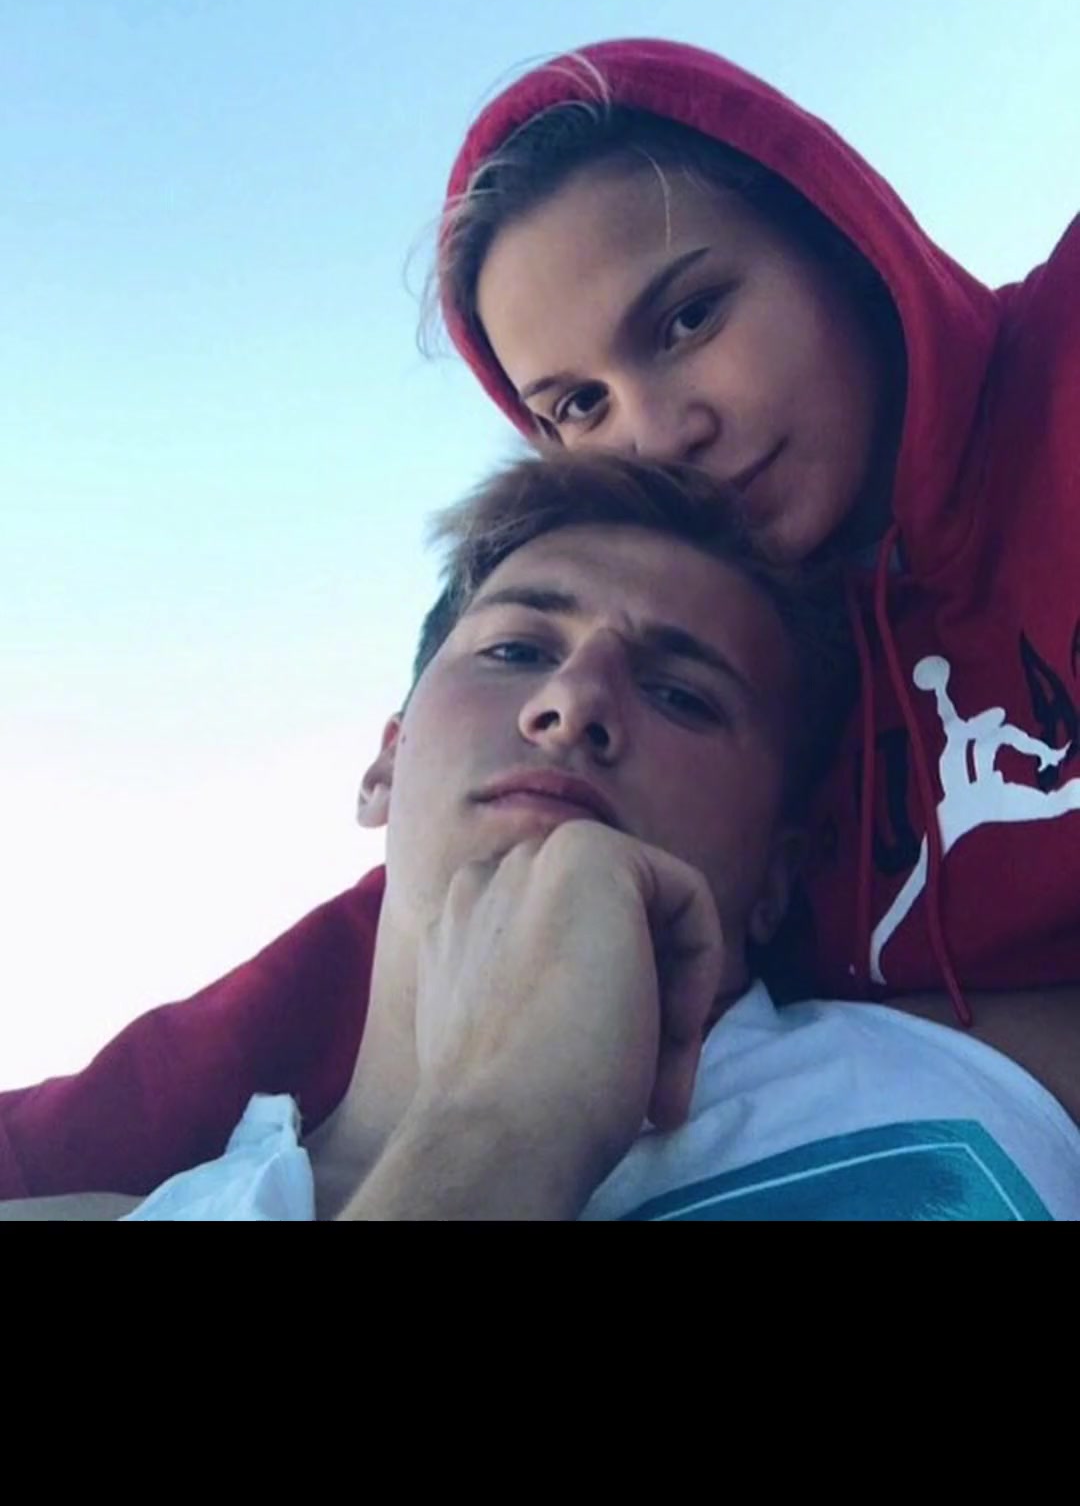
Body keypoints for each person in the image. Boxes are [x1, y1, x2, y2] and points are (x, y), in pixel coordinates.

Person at [7, 456, 1080, 1220]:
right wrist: (503, 1125)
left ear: (780, 873)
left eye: (683, 694)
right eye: (516, 649)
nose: (575, 702)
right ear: (385, 765)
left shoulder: (1008, 1070)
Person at [434, 37, 1080, 1020]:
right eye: (580, 406)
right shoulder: (695, 720)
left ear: (838, 238)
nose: (660, 437)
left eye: (689, 319)